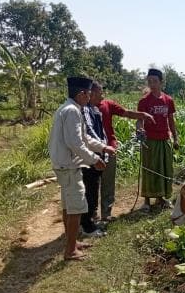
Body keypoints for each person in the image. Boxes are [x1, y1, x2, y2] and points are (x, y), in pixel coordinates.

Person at [48, 76, 115, 261]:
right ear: (81, 94)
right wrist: (95, 160)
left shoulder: (70, 108)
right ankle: (70, 251)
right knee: (76, 207)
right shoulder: (72, 111)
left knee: (69, 206)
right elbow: (75, 143)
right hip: (70, 165)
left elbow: (84, 138)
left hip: (65, 164)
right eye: (89, 93)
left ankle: (73, 242)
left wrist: (103, 147)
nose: (90, 96)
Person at [98, 88, 155, 222]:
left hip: (110, 147)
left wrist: (142, 115)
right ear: (92, 92)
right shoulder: (85, 108)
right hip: (93, 149)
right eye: (100, 91)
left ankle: (106, 214)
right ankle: (92, 216)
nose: (103, 93)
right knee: (92, 184)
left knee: (108, 182)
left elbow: (126, 113)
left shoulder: (108, 104)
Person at [137, 68, 179, 212]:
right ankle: (147, 201)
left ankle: (162, 198)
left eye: (155, 81)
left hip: (164, 139)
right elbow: (139, 120)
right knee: (150, 169)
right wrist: (139, 130)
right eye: (149, 81)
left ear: (161, 82)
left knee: (165, 169)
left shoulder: (168, 100)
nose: (152, 84)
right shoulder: (144, 101)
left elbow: (171, 121)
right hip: (149, 140)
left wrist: (175, 138)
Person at [80, 81, 109, 237]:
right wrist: (103, 147)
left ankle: (89, 220)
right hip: (89, 157)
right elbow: (90, 134)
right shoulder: (84, 111)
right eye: (99, 93)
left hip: (97, 153)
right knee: (89, 190)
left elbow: (101, 132)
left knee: (93, 189)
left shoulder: (95, 110)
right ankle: (86, 225)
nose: (102, 96)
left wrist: (104, 148)